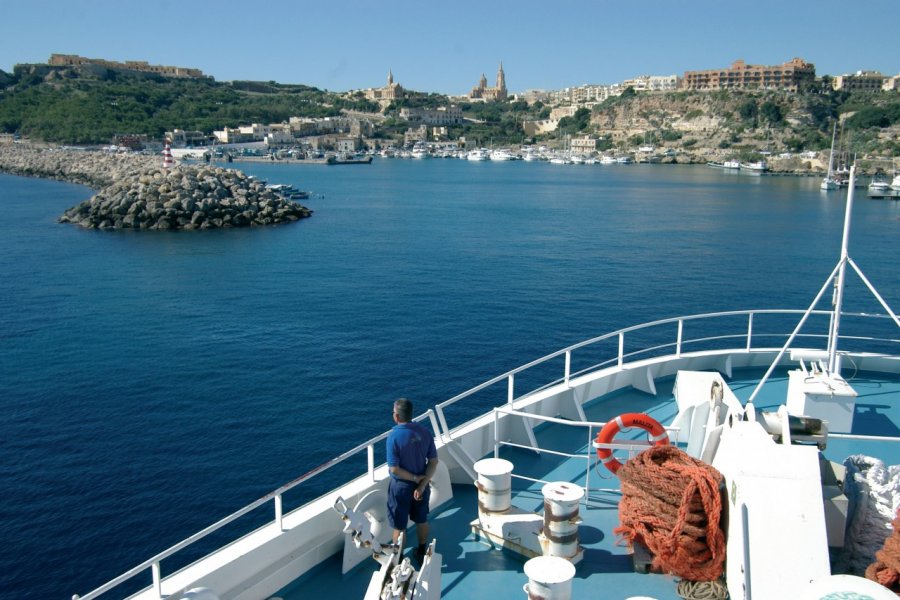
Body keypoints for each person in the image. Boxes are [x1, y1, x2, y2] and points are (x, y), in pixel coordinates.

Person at [386, 397, 438, 565]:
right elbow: (433, 461)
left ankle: (398, 558)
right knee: (421, 519)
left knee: (400, 526)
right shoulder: (425, 432)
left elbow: (394, 469)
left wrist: (414, 479)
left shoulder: (393, 437)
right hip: (421, 486)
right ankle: (422, 551)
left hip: (401, 487)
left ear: (396, 416)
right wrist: (422, 484)